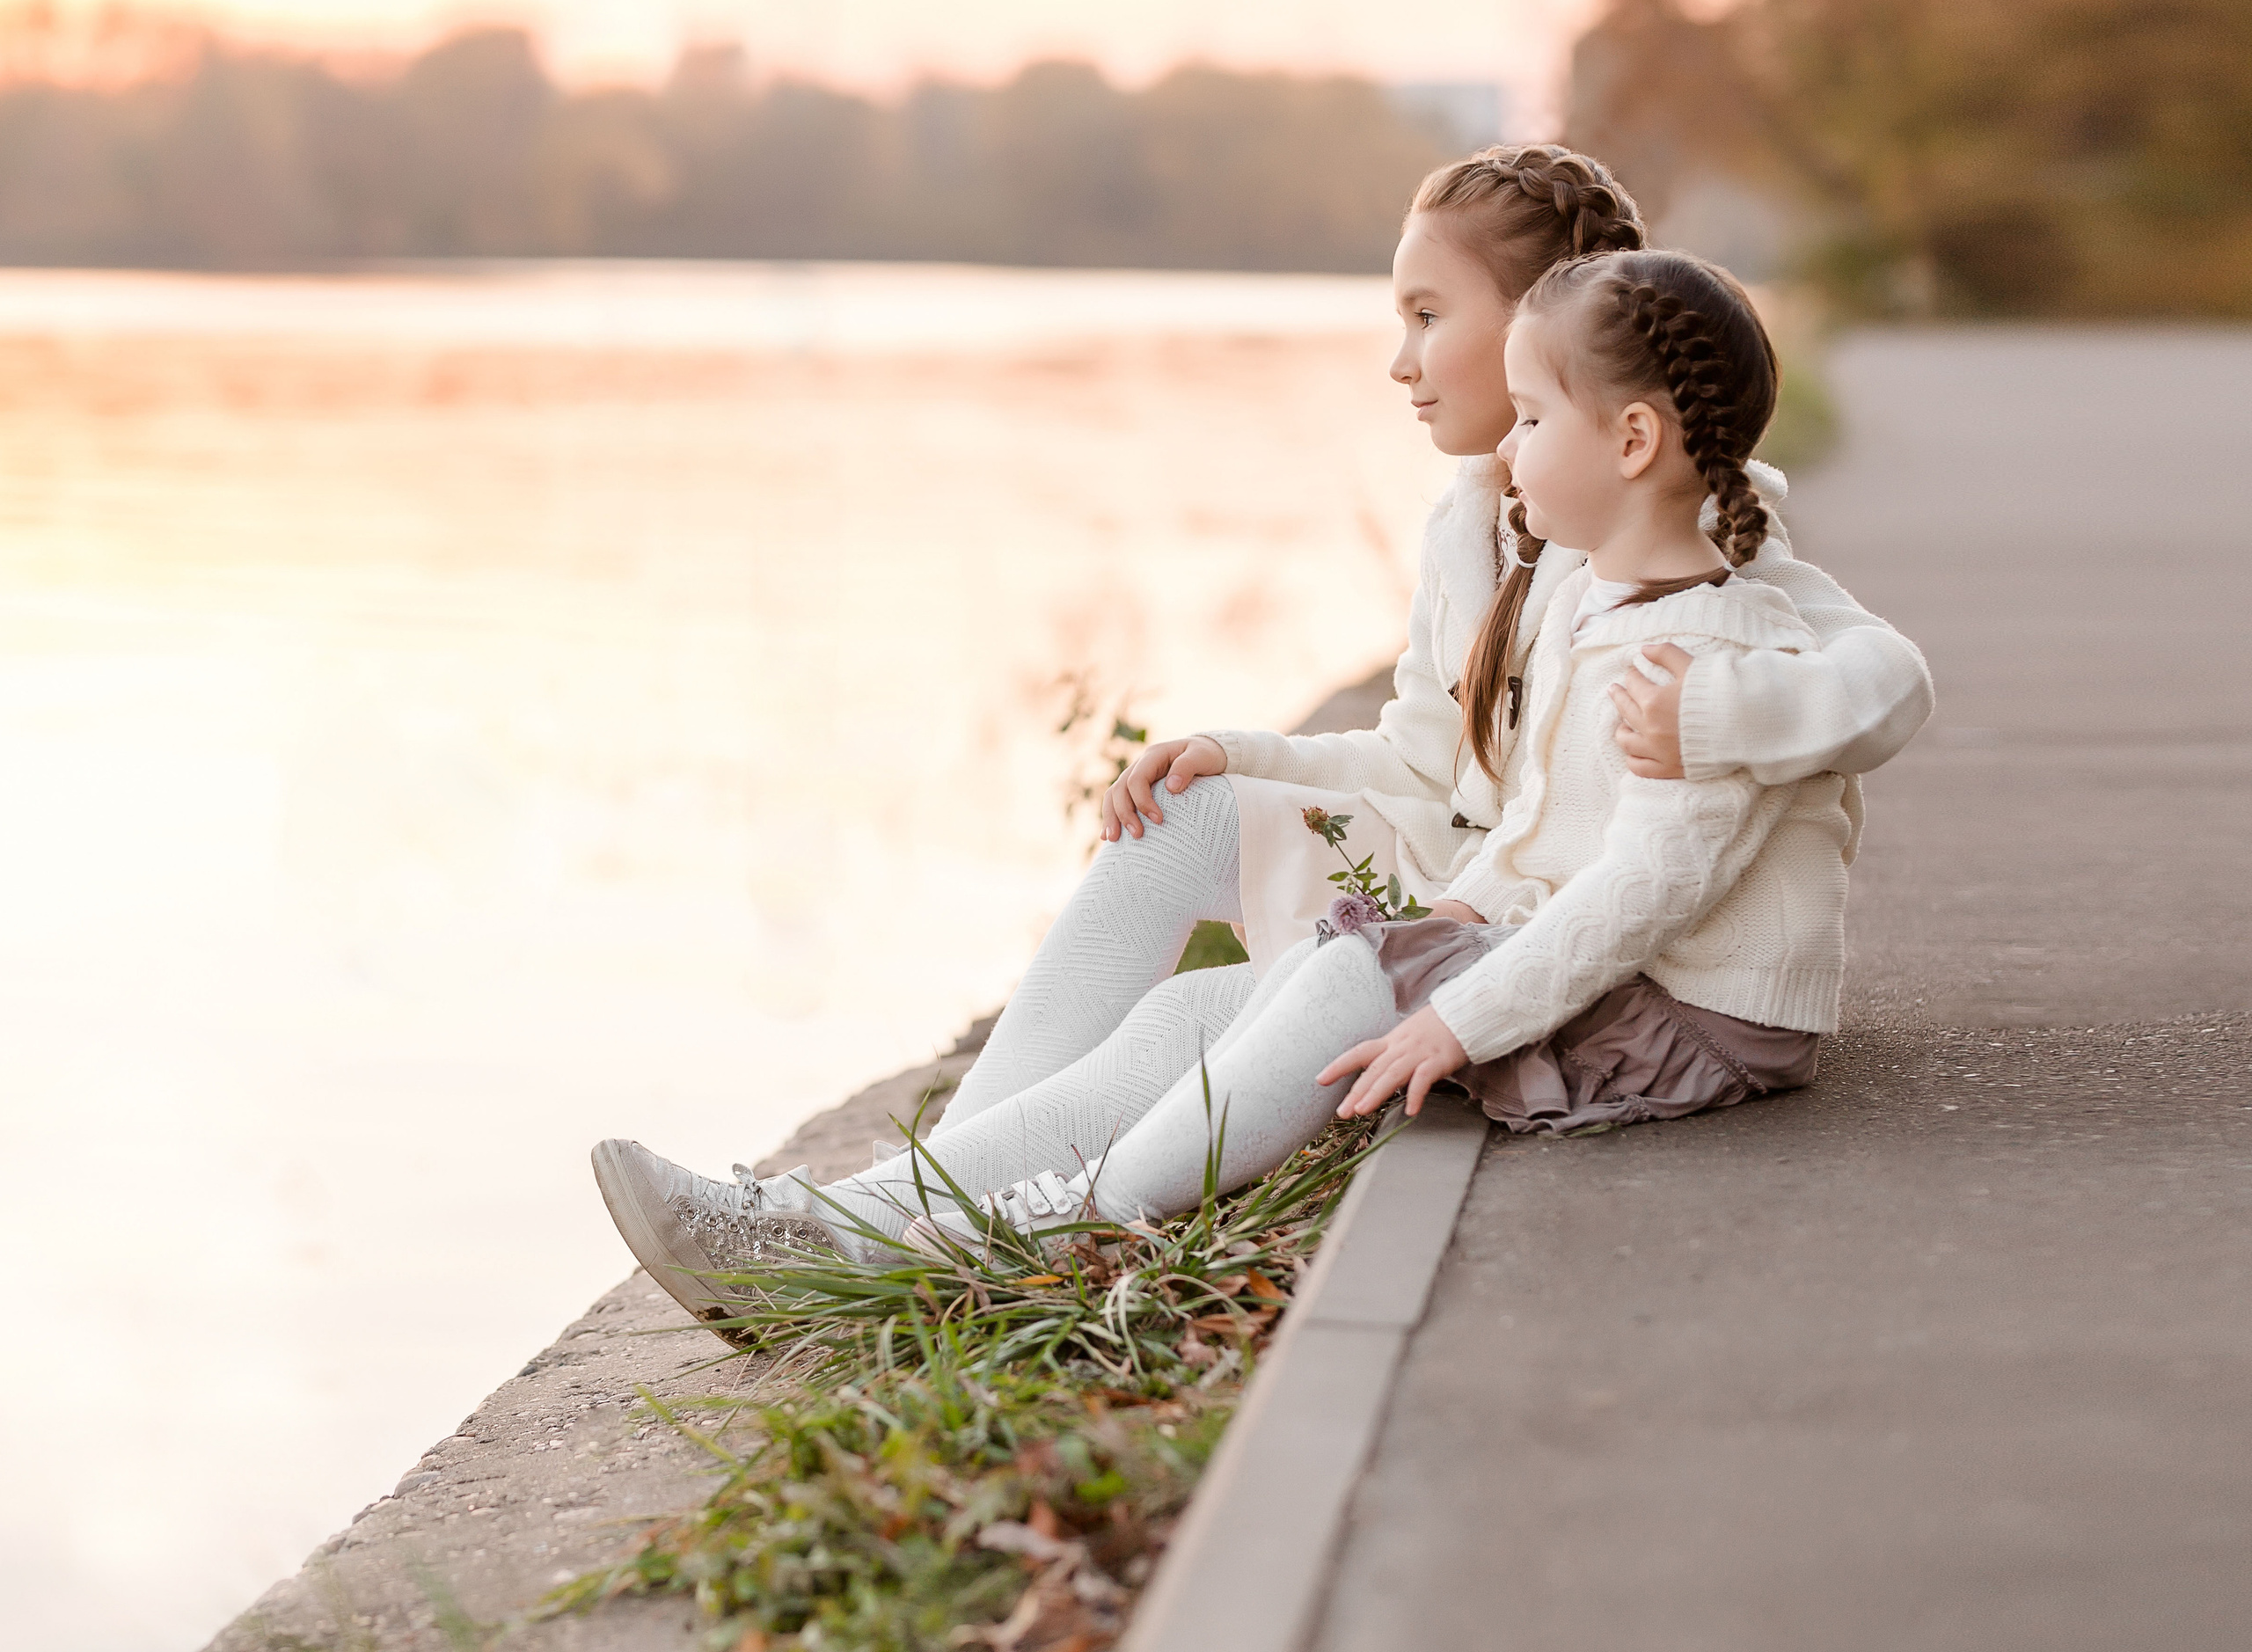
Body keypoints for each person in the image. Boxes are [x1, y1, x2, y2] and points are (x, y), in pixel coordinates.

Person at [590, 153, 1930, 1327]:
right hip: (1481, 894)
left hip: (1514, 921)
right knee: (1190, 839)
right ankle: (877, 1212)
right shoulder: (1480, 522)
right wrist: (1239, 753)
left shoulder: (1693, 543)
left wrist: (1721, 716)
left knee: (1264, 995)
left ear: (1554, 336)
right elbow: (1420, 758)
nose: (1398, 359)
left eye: (1425, 316)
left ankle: (921, 1221)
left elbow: (1870, 681)